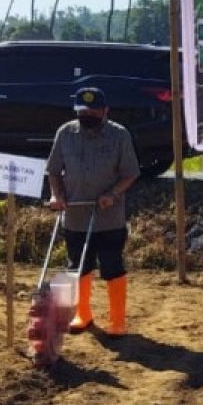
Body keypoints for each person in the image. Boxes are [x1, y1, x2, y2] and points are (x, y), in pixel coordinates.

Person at [47, 87, 140, 337]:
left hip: (109, 217)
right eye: (82, 111)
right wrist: (57, 195)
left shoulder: (119, 135)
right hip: (76, 216)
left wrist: (113, 194)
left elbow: (130, 173)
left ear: (105, 111)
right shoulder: (65, 133)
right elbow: (53, 170)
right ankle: (83, 314)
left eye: (93, 111)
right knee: (78, 266)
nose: (87, 115)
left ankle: (118, 321)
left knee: (112, 265)